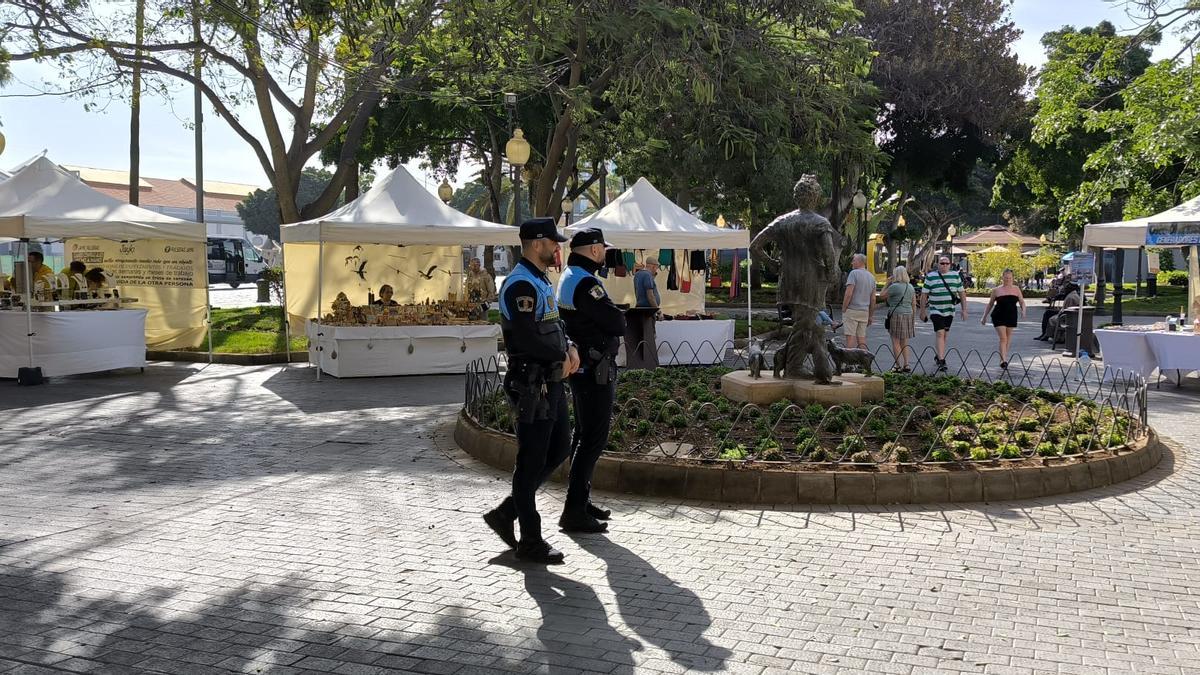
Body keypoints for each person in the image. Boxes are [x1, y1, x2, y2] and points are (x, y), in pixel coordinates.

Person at [483, 218, 581, 565]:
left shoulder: (539, 279)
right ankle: (531, 540)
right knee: (530, 463)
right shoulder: (519, 284)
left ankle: (506, 512)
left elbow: (555, 324)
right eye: (554, 242)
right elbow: (526, 337)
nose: (558, 247)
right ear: (536, 243)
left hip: (550, 381)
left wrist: (568, 345)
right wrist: (561, 352)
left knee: (558, 449)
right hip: (531, 384)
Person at [556, 227, 625, 534]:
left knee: (583, 435)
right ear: (595, 250)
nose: (606, 254)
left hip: (583, 366)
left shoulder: (571, 274)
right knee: (592, 438)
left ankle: (580, 501)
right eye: (604, 250)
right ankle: (573, 510)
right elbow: (616, 321)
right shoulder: (585, 282)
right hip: (593, 368)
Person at [920, 256, 967, 372]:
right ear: (938, 264)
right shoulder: (931, 277)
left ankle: (938, 354)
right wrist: (922, 311)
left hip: (949, 310)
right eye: (942, 263)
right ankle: (942, 360)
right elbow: (924, 295)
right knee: (940, 333)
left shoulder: (955, 276)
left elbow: (961, 293)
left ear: (950, 264)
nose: (944, 265)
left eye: (946, 263)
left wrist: (964, 309)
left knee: (945, 335)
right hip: (936, 310)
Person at [980, 268, 1026, 369]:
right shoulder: (996, 290)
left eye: (1010, 278)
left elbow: (1022, 301)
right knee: (1003, 338)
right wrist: (984, 317)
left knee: (1008, 338)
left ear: (1013, 278)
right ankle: (1004, 360)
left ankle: (1003, 358)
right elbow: (990, 304)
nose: (1008, 280)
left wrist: (1023, 310)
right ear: (1002, 278)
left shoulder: (1016, 289)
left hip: (1011, 315)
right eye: (1006, 278)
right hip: (998, 315)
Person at [883, 266, 916, 372]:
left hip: (896, 315)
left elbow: (882, 295)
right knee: (904, 342)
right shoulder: (910, 287)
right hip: (908, 314)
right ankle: (906, 364)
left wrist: (887, 283)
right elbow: (914, 304)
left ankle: (897, 365)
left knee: (895, 341)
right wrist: (913, 317)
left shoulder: (894, 287)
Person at [841, 253, 876, 350]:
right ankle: (863, 361)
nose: (852, 263)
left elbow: (848, 293)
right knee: (861, 338)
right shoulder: (871, 277)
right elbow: (873, 299)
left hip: (852, 310)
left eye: (854, 260)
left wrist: (844, 308)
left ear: (860, 262)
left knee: (850, 337)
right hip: (864, 311)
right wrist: (871, 315)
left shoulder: (854, 274)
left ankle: (849, 363)